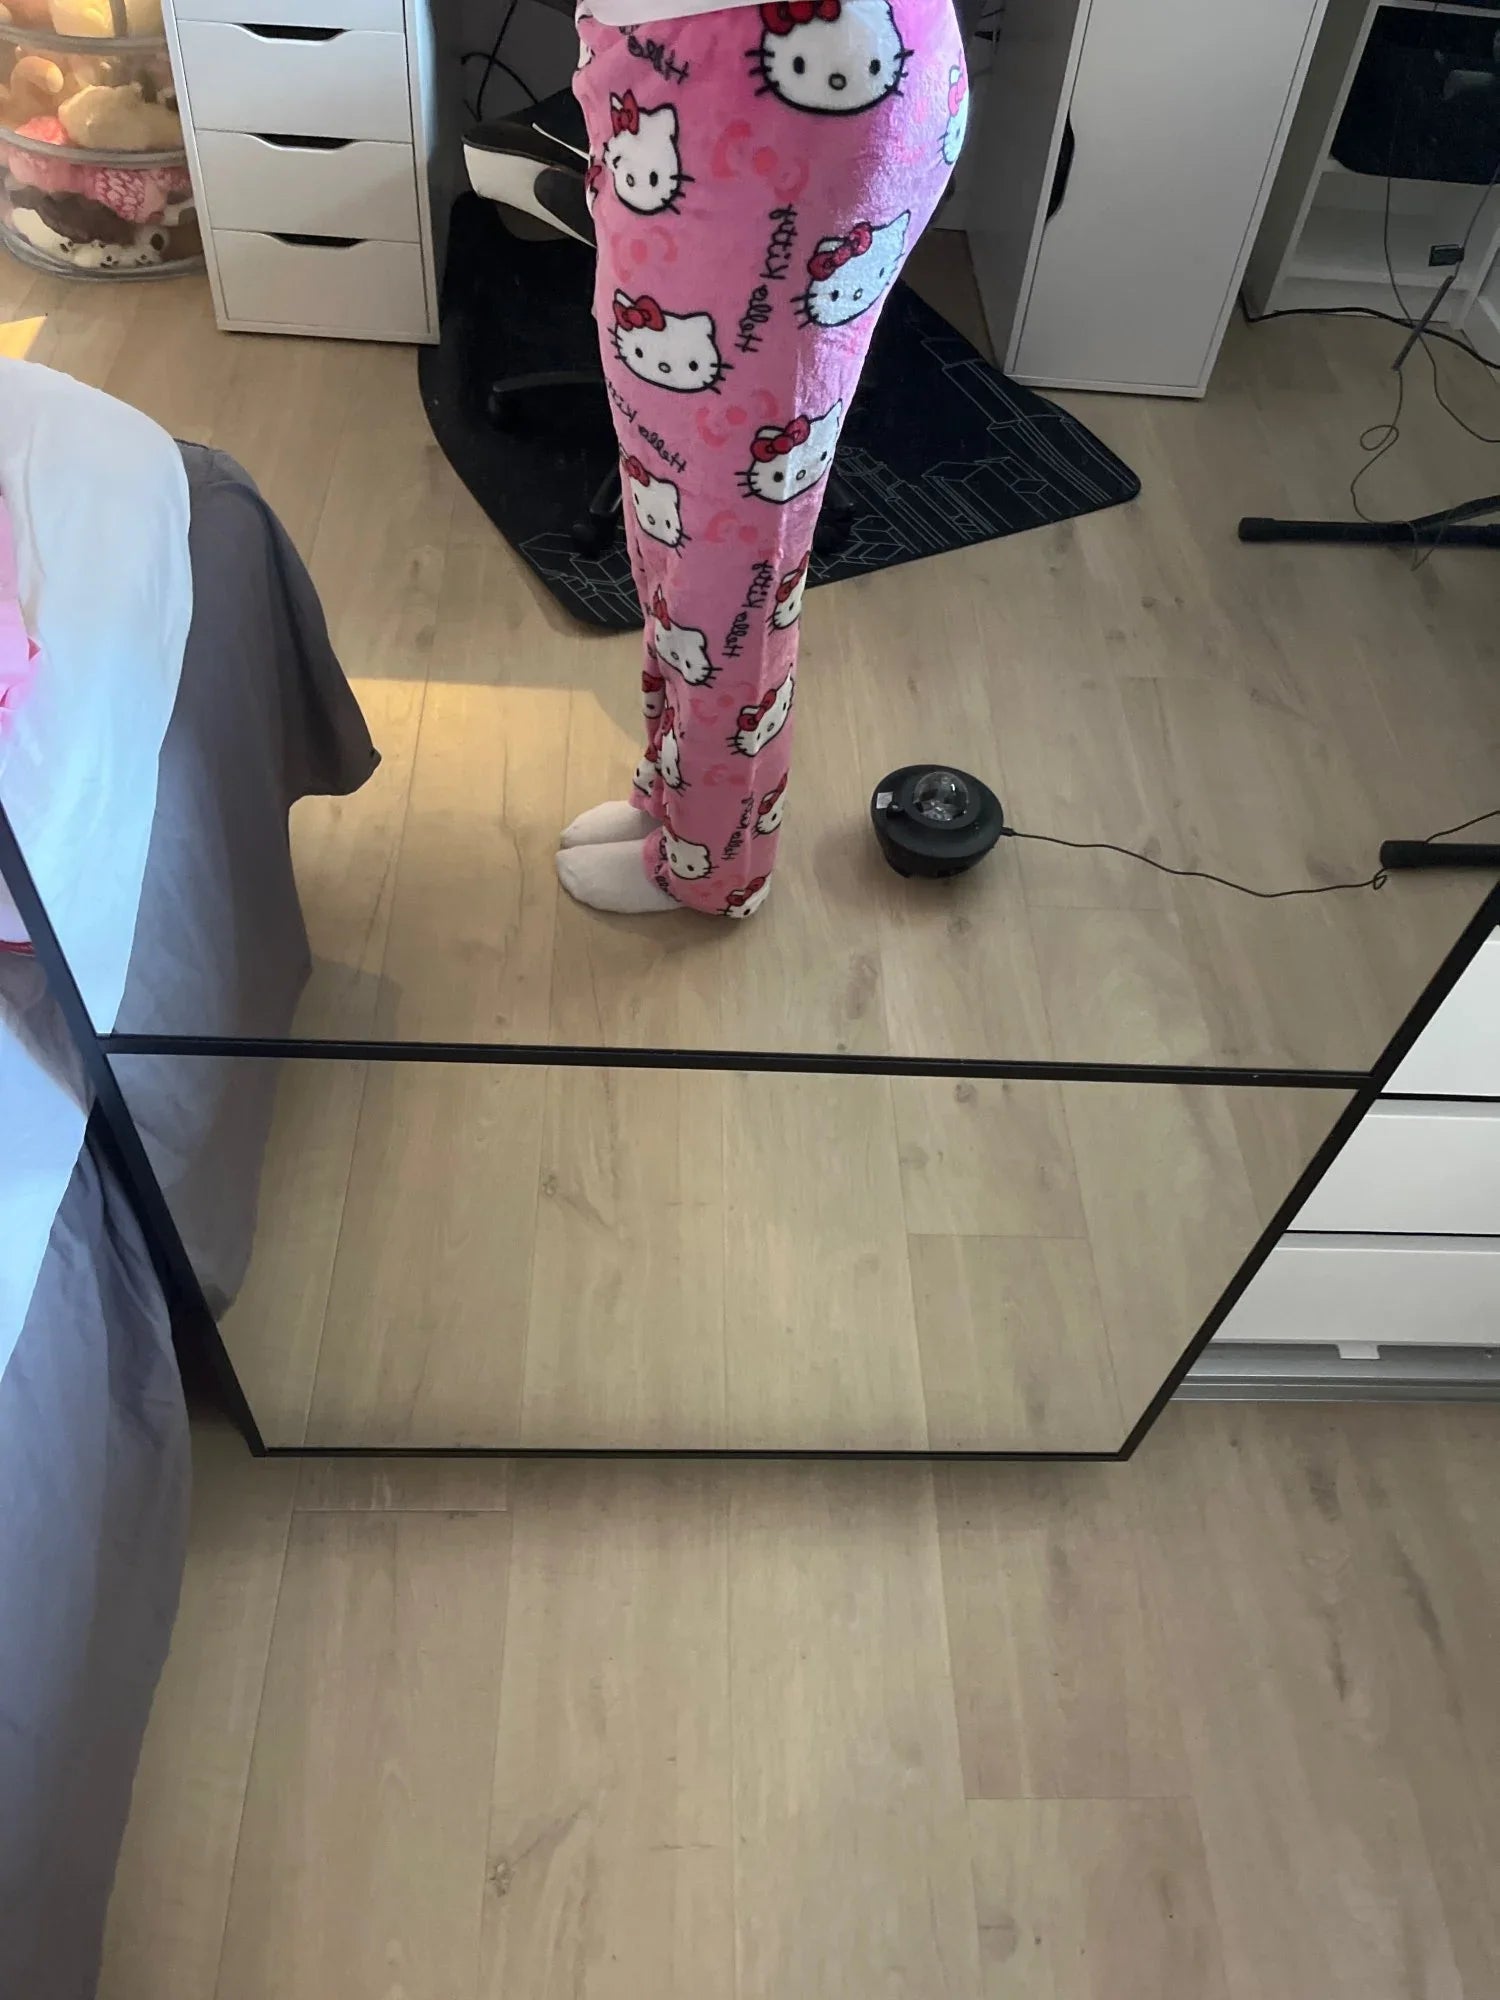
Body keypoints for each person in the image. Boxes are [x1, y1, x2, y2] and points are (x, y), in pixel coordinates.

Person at [555, 0, 967, 917]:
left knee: (726, 557)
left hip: (763, 102)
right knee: (672, 514)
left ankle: (715, 865)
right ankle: (674, 798)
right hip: (696, 72)